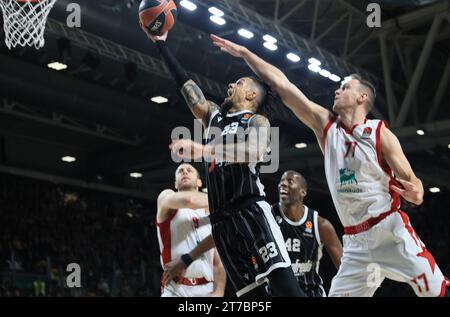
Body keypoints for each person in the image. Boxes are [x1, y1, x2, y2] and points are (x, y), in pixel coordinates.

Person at [211, 34, 450, 297]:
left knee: (437, 291)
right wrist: (245, 52)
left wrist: (415, 192)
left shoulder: (379, 132)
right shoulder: (326, 127)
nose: (337, 89)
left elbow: (413, 183)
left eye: (345, 87)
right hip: (356, 244)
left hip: (389, 231)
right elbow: (281, 84)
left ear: (362, 97)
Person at [142, 28, 305, 297]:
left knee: (287, 292)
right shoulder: (213, 118)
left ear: (252, 96)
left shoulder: (256, 121)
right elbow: (187, 88)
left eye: (238, 83)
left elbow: (253, 152)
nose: (230, 86)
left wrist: (205, 150)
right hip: (222, 224)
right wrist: (161, 45)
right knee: (253, 301)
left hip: (251, 211)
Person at [156, 163, 226, 297]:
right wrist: (226, 202)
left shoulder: (211, 213)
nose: (184, 172)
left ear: (199, 182)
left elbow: (218, 262)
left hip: (207, 288)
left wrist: (219, 291)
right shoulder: (166, 198)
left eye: (189, 170)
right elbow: (190, 199)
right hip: (176, 289)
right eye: (180, 171)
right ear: (175, 184)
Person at [273, 170, 342, 297]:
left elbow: (343, 266)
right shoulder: (268, 218)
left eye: (290, 181)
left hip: (310, 292)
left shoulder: (320, 224)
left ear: (303, 191)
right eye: (281, 181)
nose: (283, 184)